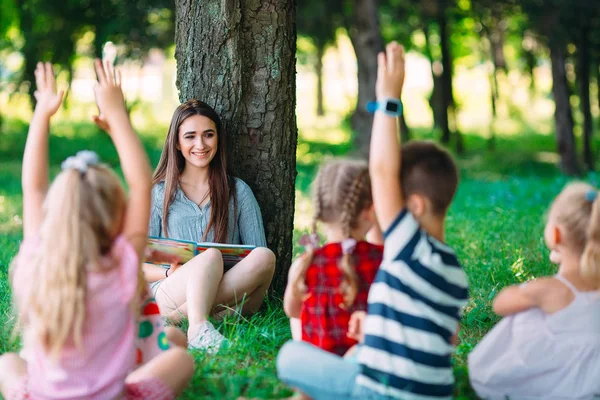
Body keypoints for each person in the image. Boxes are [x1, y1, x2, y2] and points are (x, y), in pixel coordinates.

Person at [277, 41, 469, 400]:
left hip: (380, 392)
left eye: (390, 198)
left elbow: (381, 170)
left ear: (413, 206)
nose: (383, 203)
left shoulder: (406, 247)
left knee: (290, 356)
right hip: (435, 394)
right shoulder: (453, 270)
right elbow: (450, 337)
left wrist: (388, 99)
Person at [0, 60, 193, 400]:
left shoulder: (37, 264)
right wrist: (117, 117)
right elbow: (141, 185)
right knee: (179, 358)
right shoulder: (121, 266)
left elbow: (33, 188)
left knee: (7, 364)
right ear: (116, 217)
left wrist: (42, 113)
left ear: (55, 214)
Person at [144, 99, 276, 351]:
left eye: (208, 135)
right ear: (177, 143)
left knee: (265, 257)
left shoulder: (238, 191)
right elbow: (135, 265)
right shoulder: (158, 193)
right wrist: (169, 273)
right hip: (169, 289)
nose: (200, 145)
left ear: (218, 139)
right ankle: (199, 326)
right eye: (190, 136)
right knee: (209, 257)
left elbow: (257, 262)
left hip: (225, 284)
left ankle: (187, 319)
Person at [468, 182, 600, 400]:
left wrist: (528, 288)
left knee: (527, 312)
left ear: (556, 234)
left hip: (556, 388)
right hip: (592, 383)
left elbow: (500, 304)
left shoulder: (550, 290)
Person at [283, 159, 383, 355]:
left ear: (320, 210)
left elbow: (292, 311)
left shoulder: (305, 264)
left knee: (297, 318)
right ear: (371, 211)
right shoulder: (382, 261)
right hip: (370, 365)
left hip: (322, 370)